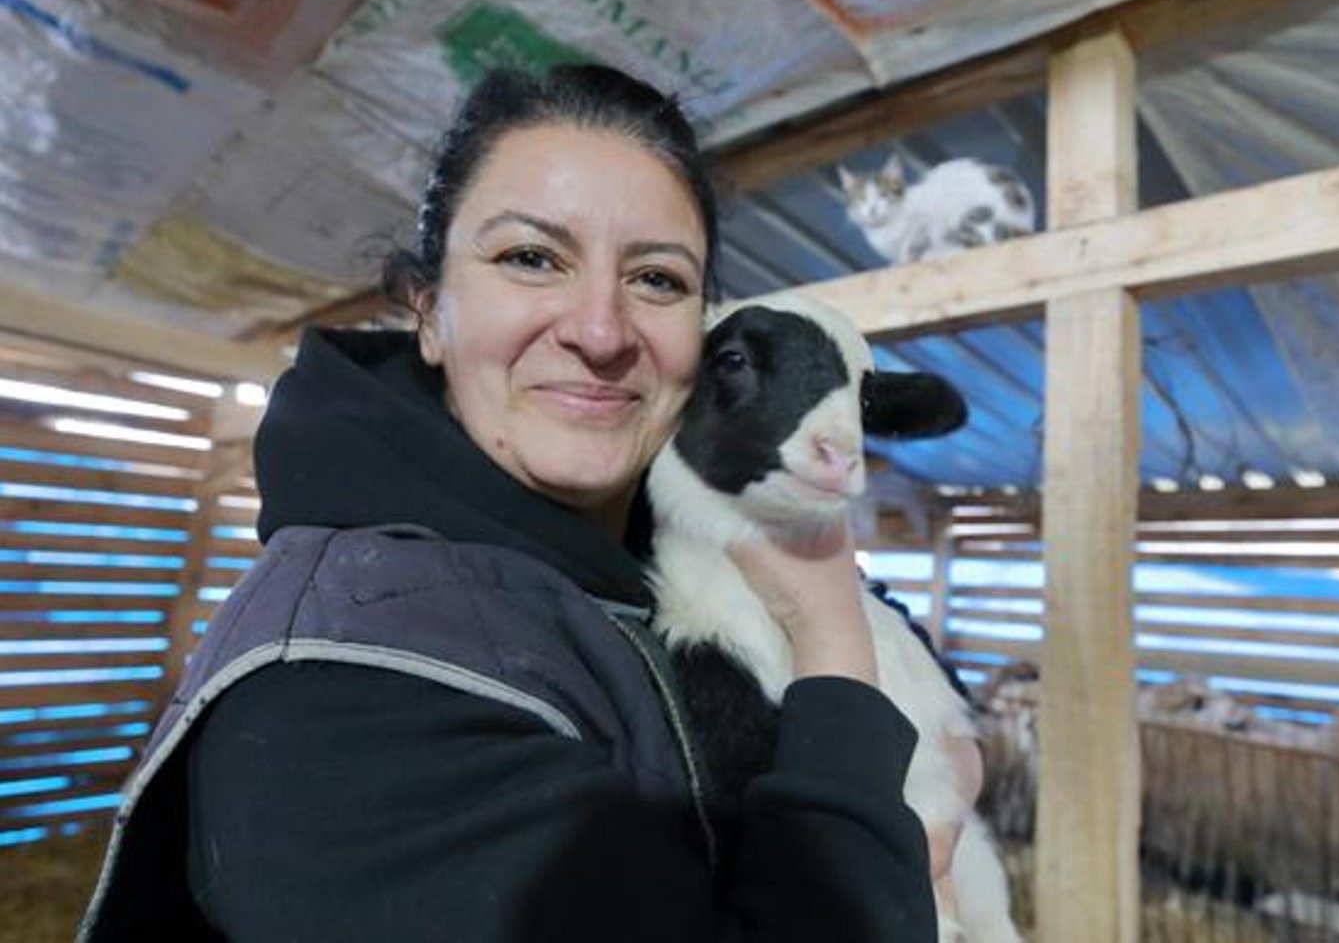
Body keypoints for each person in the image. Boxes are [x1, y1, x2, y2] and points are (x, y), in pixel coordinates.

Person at [79, 64, 945, 941]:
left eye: (657, 279)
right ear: (428, 311)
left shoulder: (631, 550)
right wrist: (836, 654)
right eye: (530, 258)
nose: (600, 331)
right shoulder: (345, 689)